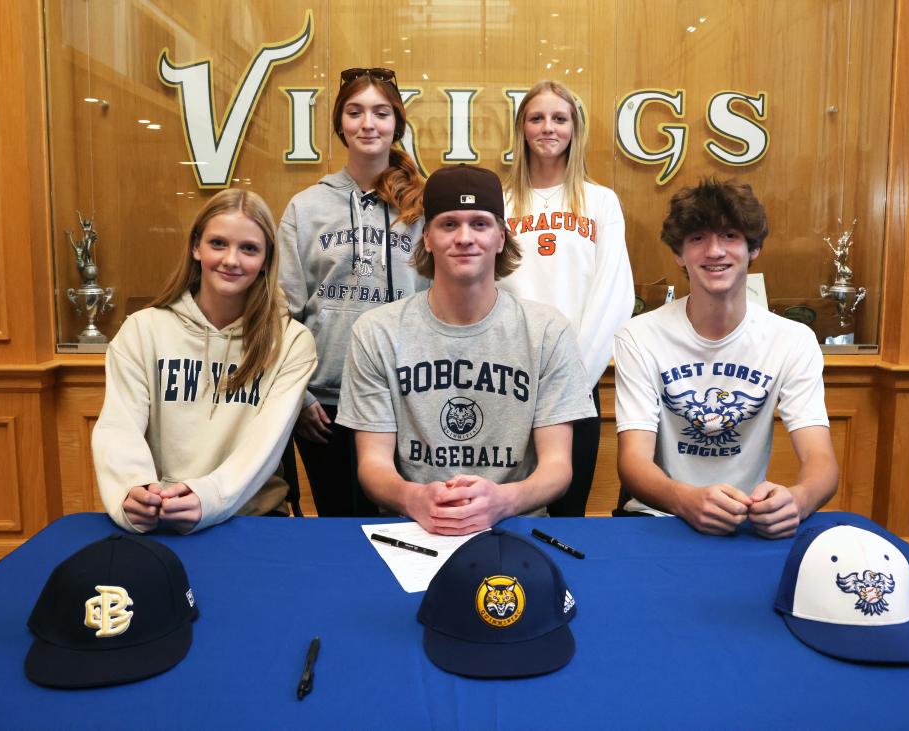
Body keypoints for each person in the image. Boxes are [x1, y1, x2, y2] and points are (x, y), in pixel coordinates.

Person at [337, 165, 597, 535]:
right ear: (426, 237)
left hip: (515, 526)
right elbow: (373, 466)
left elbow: (557, 469)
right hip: (413, 529)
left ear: (501, 237)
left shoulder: (547, 331)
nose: (464, 237)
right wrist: (414, 498)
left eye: (479, 223)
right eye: (448, 224)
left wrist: (504, 500)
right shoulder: (377, 332)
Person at [614, 178, 838, 538]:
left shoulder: (793, 340)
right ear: (678, 253)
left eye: (730, 236)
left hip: (747, 521)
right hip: (657, 518)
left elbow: (820, 461)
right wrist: (685, 499)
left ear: (753, 248)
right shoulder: (639, 336)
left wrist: (798, 500)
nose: (714, 251)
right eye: (698, 238)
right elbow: (633, 462)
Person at [92, 189, 318, 533]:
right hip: (163, 515)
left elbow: (264, 444)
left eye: (249, 248)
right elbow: (118, 425)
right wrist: (131, 488)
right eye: (218, 244)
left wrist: (208, 497)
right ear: (196, 247)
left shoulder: (291, 342)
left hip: (253, 520)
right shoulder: (142, 329)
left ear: (266, 260)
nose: (231, 260)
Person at [277, 67, 426, 516]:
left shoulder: (422, 206)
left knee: (405, 525)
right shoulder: (306, 207)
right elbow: (281, 313)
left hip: (406, 396)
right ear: (340, 124)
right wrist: (297, 396)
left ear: (397, 124)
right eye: (355, 112)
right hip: (324, 406)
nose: (368, 123)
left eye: (381, 113)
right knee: (338, 522)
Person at [499, 80, 634, 516]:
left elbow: (614, 294)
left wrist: (572, 378)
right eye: (536, 118)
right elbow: (491, 291)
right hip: (509, 380)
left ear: (576, 128)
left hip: (578, 380)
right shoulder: (498, 203)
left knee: (567, 512)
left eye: (560, 118)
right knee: (509, 505)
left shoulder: (600, 202)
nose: (548, 128)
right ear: (521, 128)